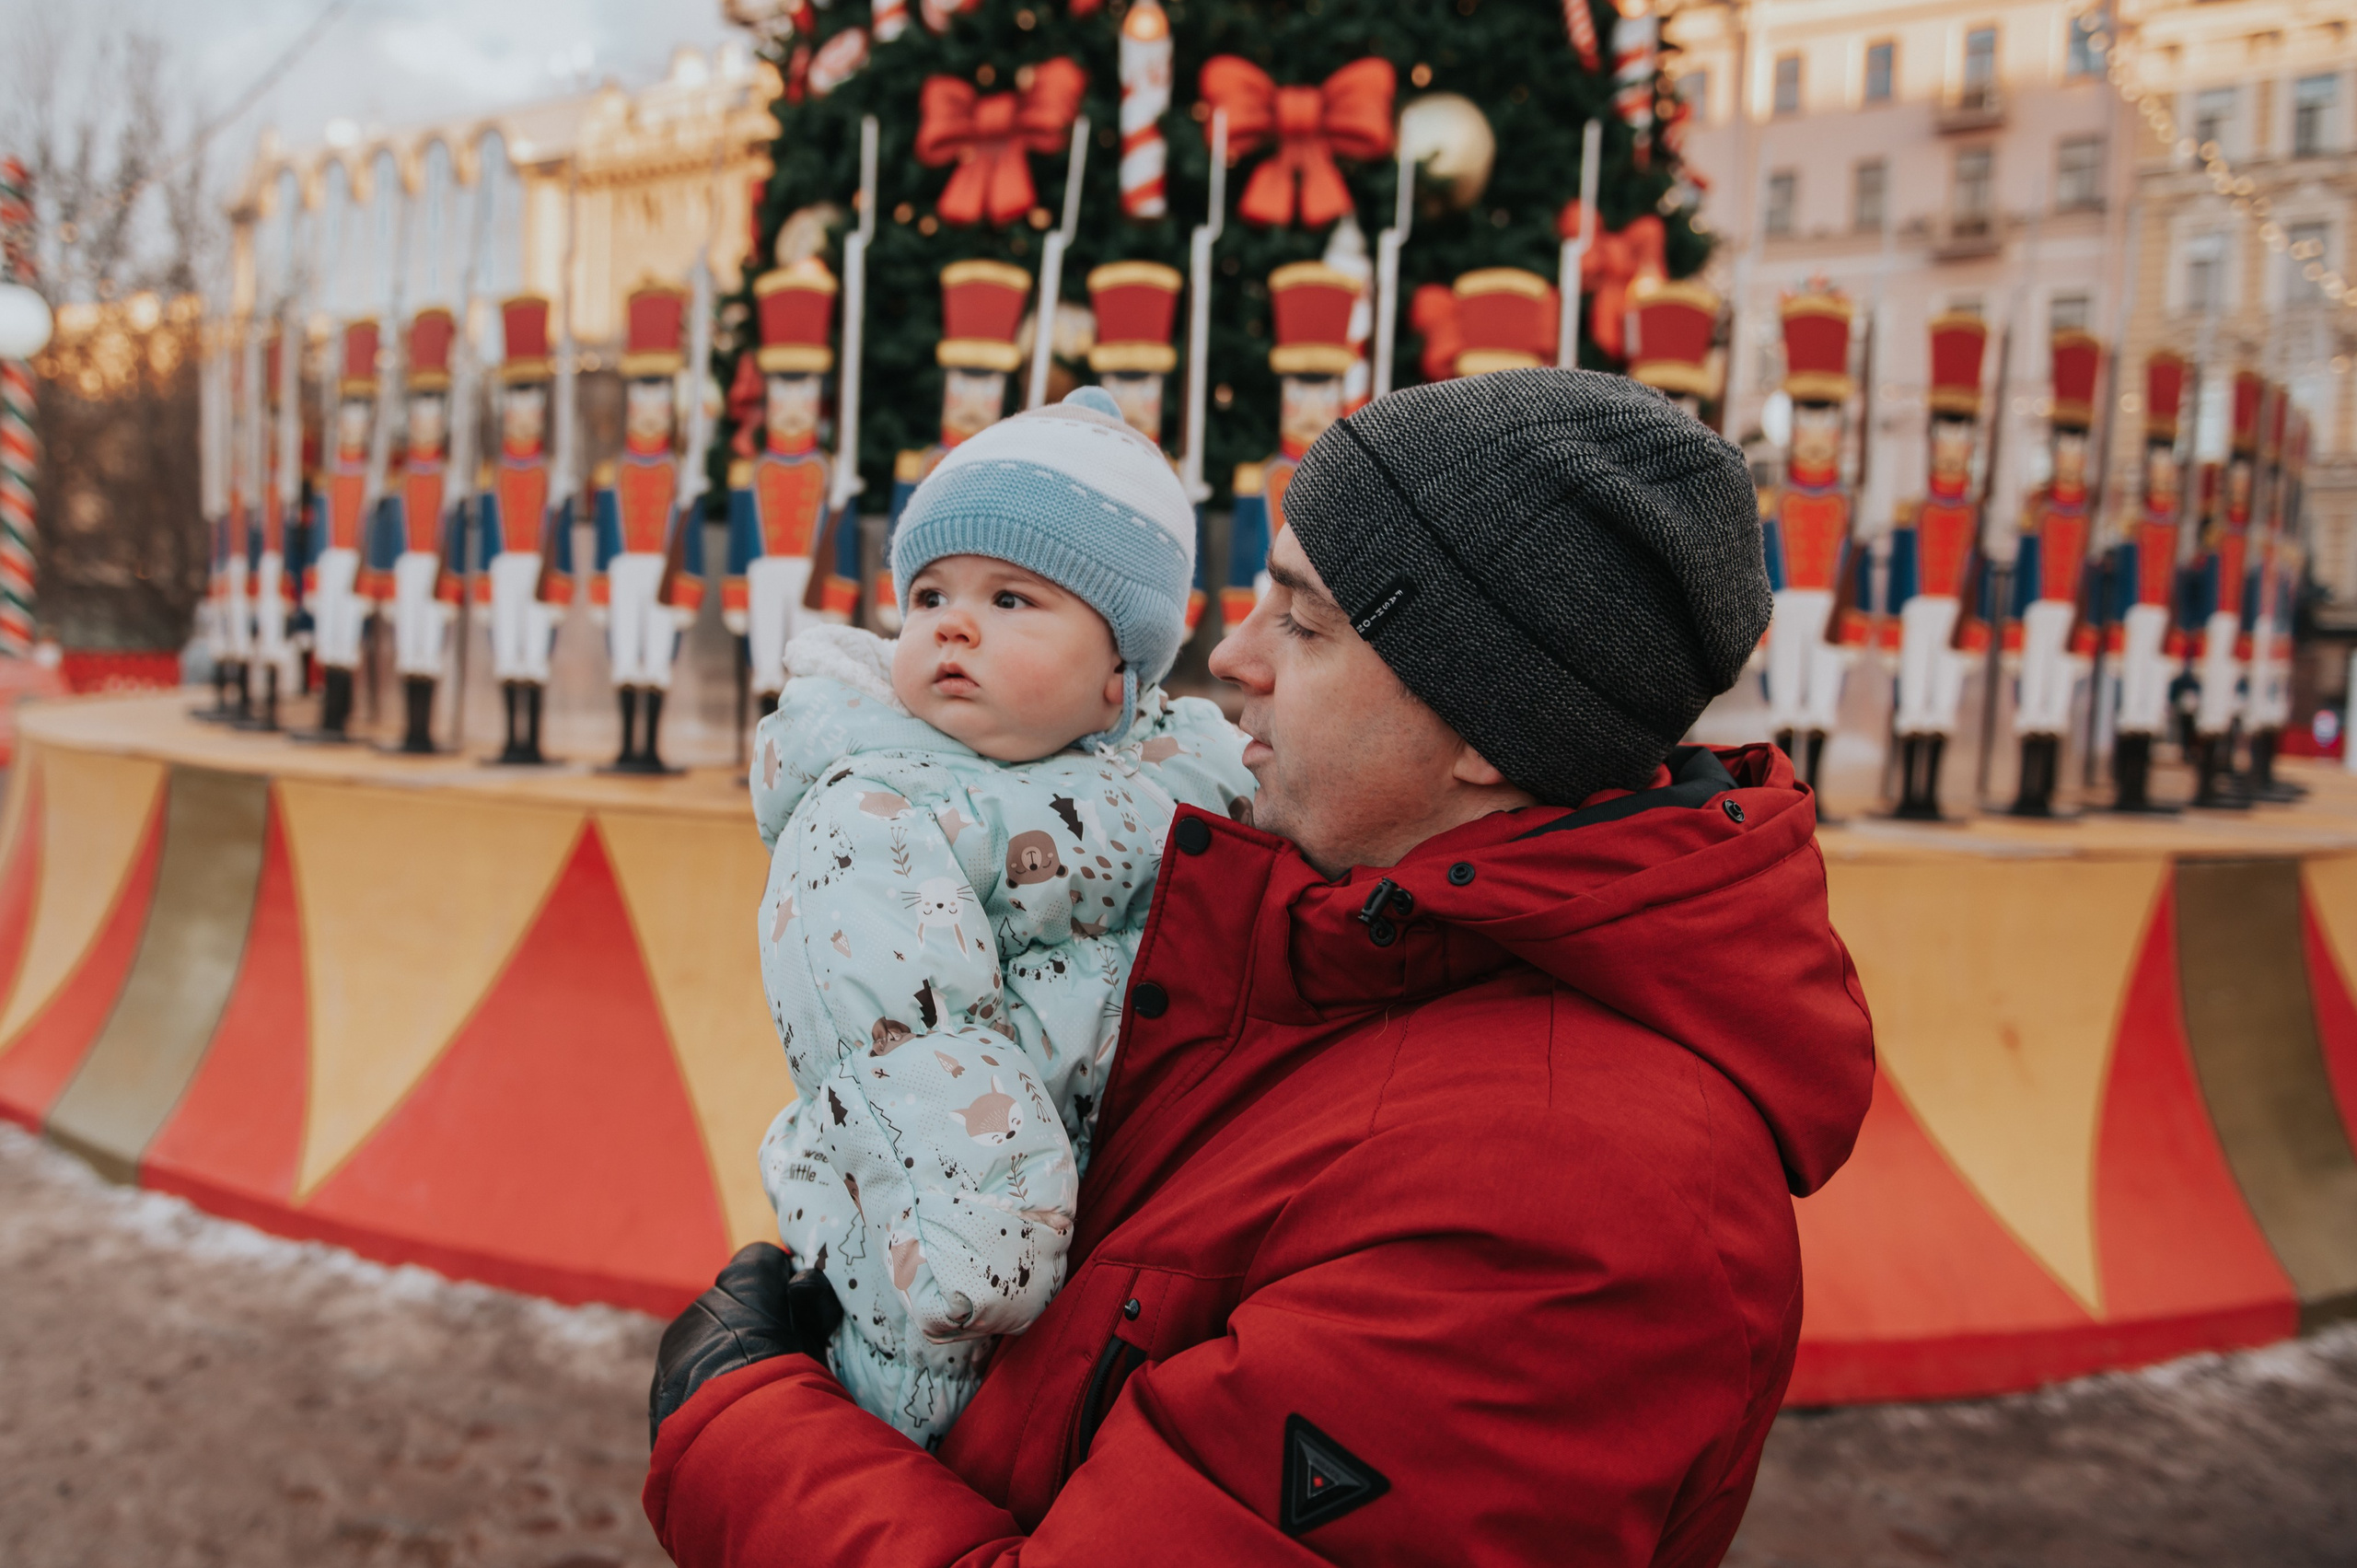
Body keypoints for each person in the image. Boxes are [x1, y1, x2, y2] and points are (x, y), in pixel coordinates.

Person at [647, 369, 1877, 1566]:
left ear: (1487, 733)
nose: (1230, 656)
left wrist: (742, 1431)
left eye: (1303, 620)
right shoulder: (1339, 952)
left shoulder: (1572, 1206)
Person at [743, 386, 1253, 1450]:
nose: (952, 623)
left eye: (1012, 599)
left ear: (1123, 668)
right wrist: (979, 1256)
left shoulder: (1196, 781)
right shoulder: (875, 806)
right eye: (928, 594)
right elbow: (907, 1039)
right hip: (943, 1280)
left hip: (1119, 1249)